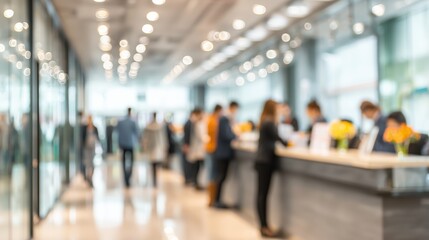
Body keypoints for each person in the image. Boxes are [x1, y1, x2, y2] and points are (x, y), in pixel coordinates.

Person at [255, 100, 288, 238]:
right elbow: (280, 139)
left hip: (262, 160)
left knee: (261, 194)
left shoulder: (264, 120)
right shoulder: (269, 122)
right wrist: (289, 143)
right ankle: (264, 226)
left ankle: (264, 225)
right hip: (265, 161)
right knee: (263, 194)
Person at [212, 101, 240, 209]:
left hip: (223, 153)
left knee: (222, 177)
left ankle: (218, 200)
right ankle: (217, 200)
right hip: (222, 153)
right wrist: (236, 136)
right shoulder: (224, 119)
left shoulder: (225, 120)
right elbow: (226, 134)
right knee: (221, 177)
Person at [141, 112, 167, 188]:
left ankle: (154, 180)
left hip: (151, 148)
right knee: (155, 165)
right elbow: (163, 138)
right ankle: (155, 180)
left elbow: (145, 138)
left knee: (153, 165)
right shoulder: (159, 126)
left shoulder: (149, 127)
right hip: (157, 148)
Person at [117, 108, 139, 188]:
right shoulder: (133, 122)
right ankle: (128, 177)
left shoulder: (121, 122)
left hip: (123, 144)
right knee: (131, 162)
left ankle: (125, 178)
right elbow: (137, 133)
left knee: (123, 162)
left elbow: (118, 133)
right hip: (131, 144)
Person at [206, 104, 223, 206]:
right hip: (212, 149)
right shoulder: (213, 121)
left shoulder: (213, 120)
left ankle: (212, 199)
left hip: (212, 148)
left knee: (212, 175)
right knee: (212, 175)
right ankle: (211, 199)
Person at [187, 108, 207, 190]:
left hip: (199, 150)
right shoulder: (198, 124)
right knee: (198, 168)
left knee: (198, 168)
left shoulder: (199, 123)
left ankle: (198, 183)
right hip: (199, 150)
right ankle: (198, 183)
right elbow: (202, 137)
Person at [81, 115, 100, 187]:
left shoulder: (95, 128)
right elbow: (82, 137)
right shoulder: (84, 128)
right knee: (87, 161)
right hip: (86, 147)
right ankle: (87, 176)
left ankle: (90, 176)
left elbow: (97, 137)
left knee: (92, 162)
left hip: (93, 147)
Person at [181, 111, 195, 185]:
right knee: (187, 163)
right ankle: (188, 178)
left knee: (188, 163)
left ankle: (188, 178)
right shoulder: (189, 124)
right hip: (187, 146)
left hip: (187, 145)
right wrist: (186, 145)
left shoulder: (189, 123)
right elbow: (187, 136)